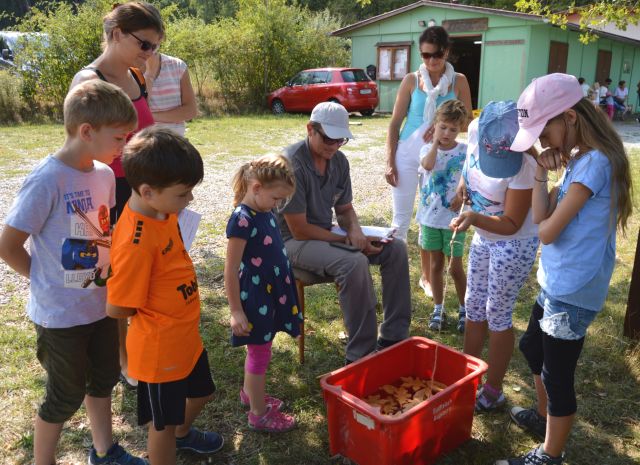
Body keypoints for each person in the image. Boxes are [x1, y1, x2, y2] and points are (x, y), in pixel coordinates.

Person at [0, 80, 143, 465]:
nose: (124, 147)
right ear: (86, 131)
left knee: (104, 381)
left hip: (101, 305)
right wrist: (43, 282)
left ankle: (104, 451)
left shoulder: (104, 175)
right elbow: (7, 245)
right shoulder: (47, 179)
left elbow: (103, 232)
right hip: (60, 316)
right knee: (64, 395)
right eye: (119, 137)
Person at [495, 73, 633, 465]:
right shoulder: (577, 160)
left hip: (574, 289)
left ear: (569, 118)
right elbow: (542, 215)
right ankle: (544, 419)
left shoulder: (594, 164)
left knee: (557, 375)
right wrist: (541, 171)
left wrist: (544, 218)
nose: (542, 142)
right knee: (532, 347)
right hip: (557, 281)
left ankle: (550, 454)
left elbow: (548, 231)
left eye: (544, 131)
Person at [106, 128, 223, 464]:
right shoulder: (135, 244)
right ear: (147, 191)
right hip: (160, 350)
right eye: (183, 194)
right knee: (163, 426)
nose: (189, 201)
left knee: (203, 392)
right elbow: (118, 307)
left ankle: (183, 436)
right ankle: (172, 442)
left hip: (184, 335)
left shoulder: (163, 210)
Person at [71, 1, 164, 389]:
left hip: (144, 187)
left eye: (155, 47)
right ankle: (122, 359)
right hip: (107, 189)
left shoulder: (137, 75)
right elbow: (79, 146)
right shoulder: (88, 80)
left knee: (143, 270)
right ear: (115, 34)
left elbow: (144, 130)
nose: (150, 55)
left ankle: (140, 347)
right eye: (144, 45)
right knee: (112, 274)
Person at [278, 101, 412, 364]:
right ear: (310, 130)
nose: (334, 146)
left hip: (322, 233)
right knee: (353, 261)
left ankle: (394, 337)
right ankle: (361, 355)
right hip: (290, 242)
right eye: (328, 138)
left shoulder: (339, 161)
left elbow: (345, 209)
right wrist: (351, 241)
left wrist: (356, 230)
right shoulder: (291, 164)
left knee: (396, 248)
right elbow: (299, 229)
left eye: (340, 140)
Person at [450, 100, 540, 412]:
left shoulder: (526, 167)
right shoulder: (477, 130)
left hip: (513, 243)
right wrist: (463, 189)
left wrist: (474, 217)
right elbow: (468, 167)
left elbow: (512, 223)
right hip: (485, 236)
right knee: (474, 306)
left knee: (497, 312)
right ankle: (467, 377)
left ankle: (492, 390)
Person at [384, 25, 472, 298]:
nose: (431, 61)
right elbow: (395, 123)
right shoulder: (411, 80)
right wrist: (390, 161)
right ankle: (395, 277)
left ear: (446, 52)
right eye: (425, 55)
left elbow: (468, 121)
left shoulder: (459, 81)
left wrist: (444, 125)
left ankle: (428, 276)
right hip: (409, 153)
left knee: (430, 216)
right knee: (400, 218)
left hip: (440, 156)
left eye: (436, 55)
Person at [224, 154, 300, 433]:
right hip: (256, 296)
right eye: (276, 198)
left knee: (260, 347)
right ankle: (258, 413)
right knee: (260, 352)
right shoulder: (242, 220)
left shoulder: (264, 211)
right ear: (256, 188)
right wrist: (235, 310)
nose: (277, 205)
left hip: (272, 292)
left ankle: (249, 392)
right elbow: (231, 269)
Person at [416, 100, 467, 333]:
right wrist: (435, 143)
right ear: (435, 126)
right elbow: (427, 166)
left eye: (453, 129)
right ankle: (439, 307)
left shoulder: (464, 152)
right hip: (429, 219)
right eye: (443, 127)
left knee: (455, 268)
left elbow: (469, 178)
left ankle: (466, 309)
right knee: (435, 265)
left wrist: (461, 193)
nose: (447, 133)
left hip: (455, 220)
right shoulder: (427, 149)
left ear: (460, 130)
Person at [145, 52, 197, 136]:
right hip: (143, 143)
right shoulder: (128, 68)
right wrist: (149, 75)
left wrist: (150, 116)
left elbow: (191, 111)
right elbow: (134, 114)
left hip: (175, 143)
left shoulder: (178, 65)